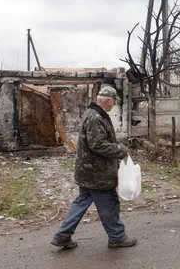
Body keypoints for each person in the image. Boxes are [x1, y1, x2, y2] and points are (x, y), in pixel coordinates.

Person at [51, 85, 137, 249]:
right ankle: (117, 237)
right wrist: (121, 151)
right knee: (109, 204)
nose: (113, 105)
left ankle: (62, 236)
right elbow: (98, 145)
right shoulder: (96, 117)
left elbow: (99, 141)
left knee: (81, 202)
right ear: (107, 101)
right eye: (113, 102)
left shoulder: (92, 114)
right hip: (98, 173)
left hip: (88, 171)